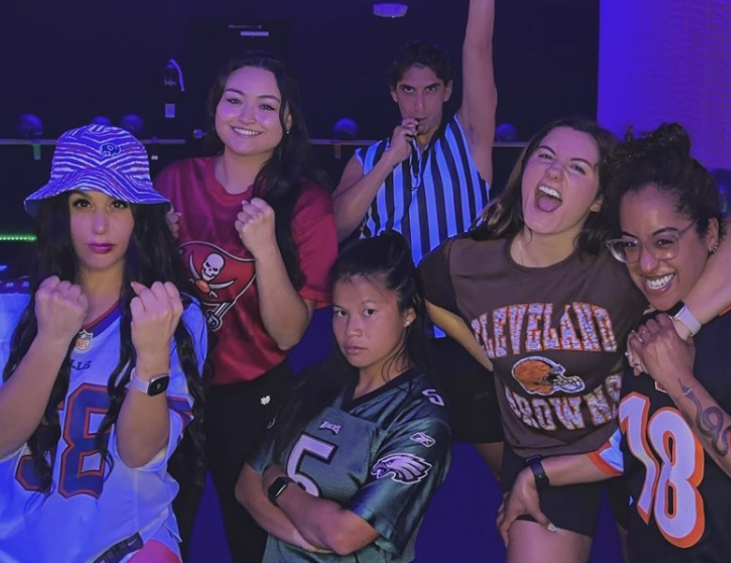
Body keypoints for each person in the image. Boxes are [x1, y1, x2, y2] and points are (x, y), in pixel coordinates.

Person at [418, 117, 731, 562]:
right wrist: (492, 356)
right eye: (546, 156)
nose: (554, 172)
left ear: (597, 201)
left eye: (578, 168)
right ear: (525, 168)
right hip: (544, 452)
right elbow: (426, 291)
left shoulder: (621, 263)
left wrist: (680, 325)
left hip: (633, 445)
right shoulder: (470, 260)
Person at [0, 124, 207, 563]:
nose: (101, 224)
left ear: (139, 217)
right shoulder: (10, 304)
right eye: (82, 203)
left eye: (118, 203)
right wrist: (51, 341)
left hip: (129, 544)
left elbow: (141, 455)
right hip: (14, 549)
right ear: (59, 212)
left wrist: (149, 360)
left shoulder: (172, 311)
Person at [155, 53, 338, 562]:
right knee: (158, 529)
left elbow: (288, 334)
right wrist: (156, 251)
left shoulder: (305, 203)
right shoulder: (173, 181)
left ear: (288, 120)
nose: (246, 116)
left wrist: (265, 249)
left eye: (266, 105)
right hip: (169, 386)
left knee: (256, 538)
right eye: (234, 100)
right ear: (215, 108)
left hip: (253, 394)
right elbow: (139, 294)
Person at [332, 0, 503, 476]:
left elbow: (479, 46)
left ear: (447, 91)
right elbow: (336, 226)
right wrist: (388, 161)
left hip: (463, 335)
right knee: (379, 469)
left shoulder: (469, 140)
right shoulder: (368, 160)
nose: (420, 104)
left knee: (500, 460)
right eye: (409, 91)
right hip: (393, 342)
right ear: (394, 94)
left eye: (430, 90)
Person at [235, 232, 452, 562]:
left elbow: (344, 534)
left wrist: (279, 486)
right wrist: (303, 541)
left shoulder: (420, 416)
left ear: (408, 313)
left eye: (368, 312)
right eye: (340, 312)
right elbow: (246, 486)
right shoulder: (314, 383)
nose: (351, 329)